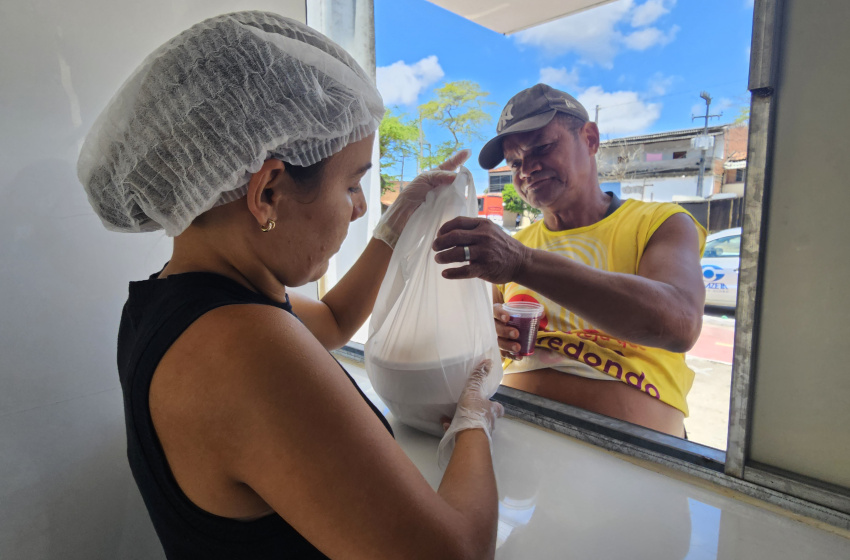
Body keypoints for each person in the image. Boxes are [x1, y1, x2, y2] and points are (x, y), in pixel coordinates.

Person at [78, 12, 502, 559]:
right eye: (352, 183)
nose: (361, 207)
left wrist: (398, 223)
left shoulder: (177, 301)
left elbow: (333, 322)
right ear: (268, 193)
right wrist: (473, 421)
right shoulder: (243, 348)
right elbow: (457, 553)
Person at [432, 84, 706, 437]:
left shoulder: (660, 223)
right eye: (515, 162)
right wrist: (493, 332)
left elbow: (679, 324)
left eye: (542, 148)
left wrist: (523, 264)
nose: (526, 169)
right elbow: (483, 348)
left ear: (590, 139)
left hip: (637, 455)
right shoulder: (514, 248)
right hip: (517, 446)